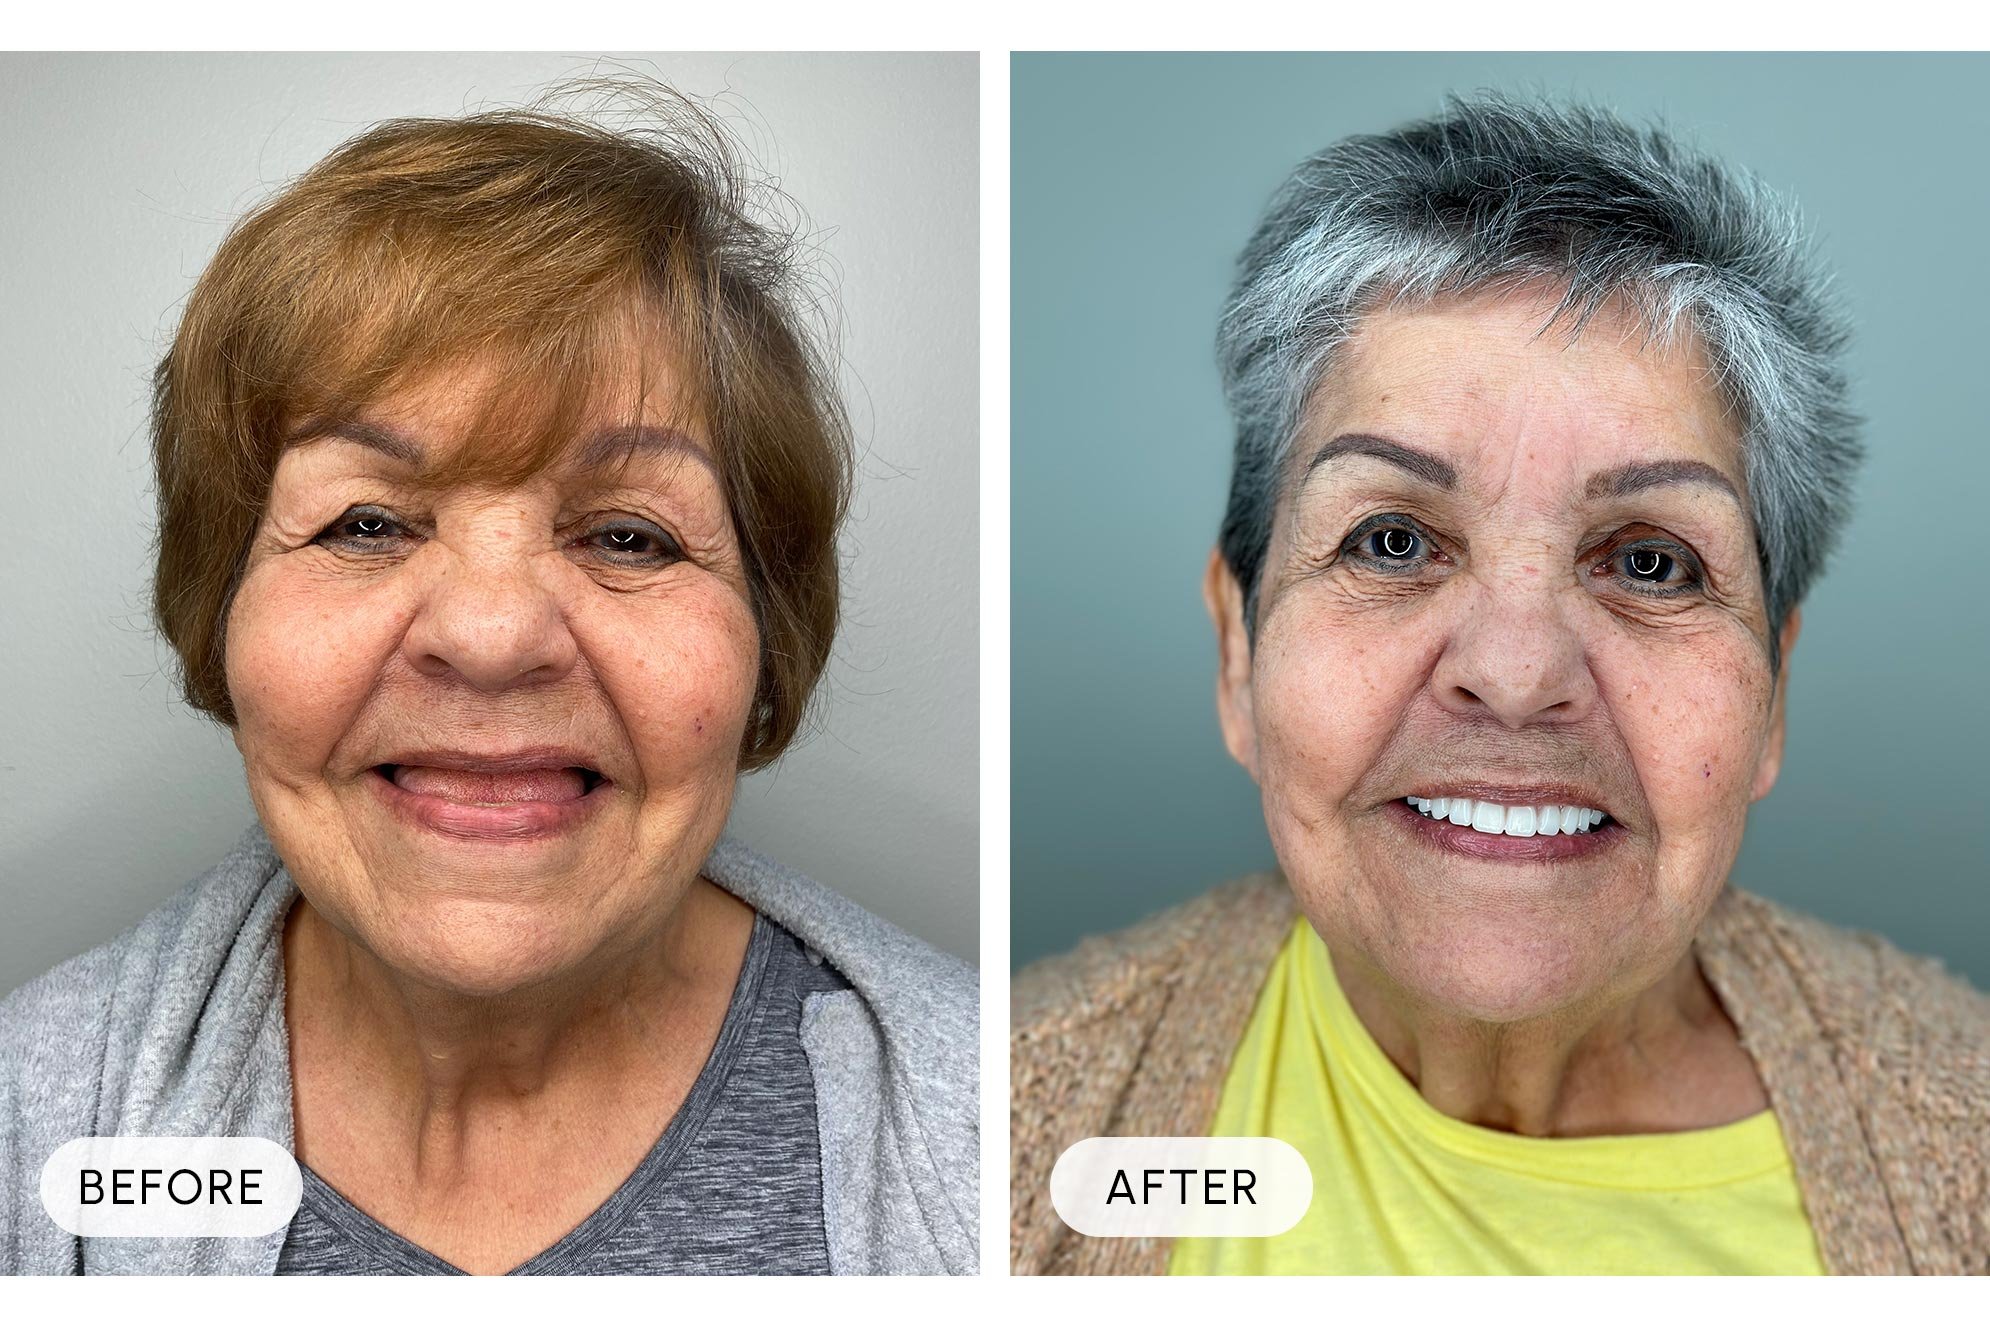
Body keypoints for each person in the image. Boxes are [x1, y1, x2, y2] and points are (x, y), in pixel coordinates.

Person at [1, 83, 976, 1276]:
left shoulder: (1004, 1117)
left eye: (629, 535)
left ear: (770, 638)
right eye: (365, 523)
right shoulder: (26, 1119)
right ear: (220, 611)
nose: (493, 632)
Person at [1011, 93, 1989, 1275]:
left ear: (1772, 693)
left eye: (1649, 561)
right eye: (1391, 541)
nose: (1517, 675)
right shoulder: (1009, 1114)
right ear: (1237, 648)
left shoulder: (1959, 1136)